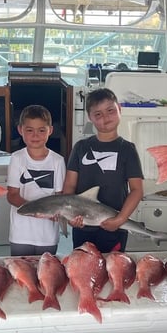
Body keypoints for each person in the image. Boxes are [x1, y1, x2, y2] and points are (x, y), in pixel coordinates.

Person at [62, 88, 144, 253]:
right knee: (83, 270)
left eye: (110, 111)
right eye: (98, 114)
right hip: (82, 226)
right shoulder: (80, 147)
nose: (105, 118)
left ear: (119, 109)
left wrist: (120, 219)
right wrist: (69, 216)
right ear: (90, 118)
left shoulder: (127, 149)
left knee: (114, 272)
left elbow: (136, 190)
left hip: (115, 228)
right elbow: (69, 186)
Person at [7, 105, 66, 256]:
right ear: (20, 130)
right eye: (29, 130)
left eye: (41, 130)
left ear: (50, 131)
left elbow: (60, 197)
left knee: (47, 275)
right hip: (21, 234)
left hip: (48, 235)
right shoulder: (17, 158)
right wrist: (35, 209)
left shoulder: (58, 161)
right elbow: (12, 195)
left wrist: (52, 212)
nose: (35, 135)